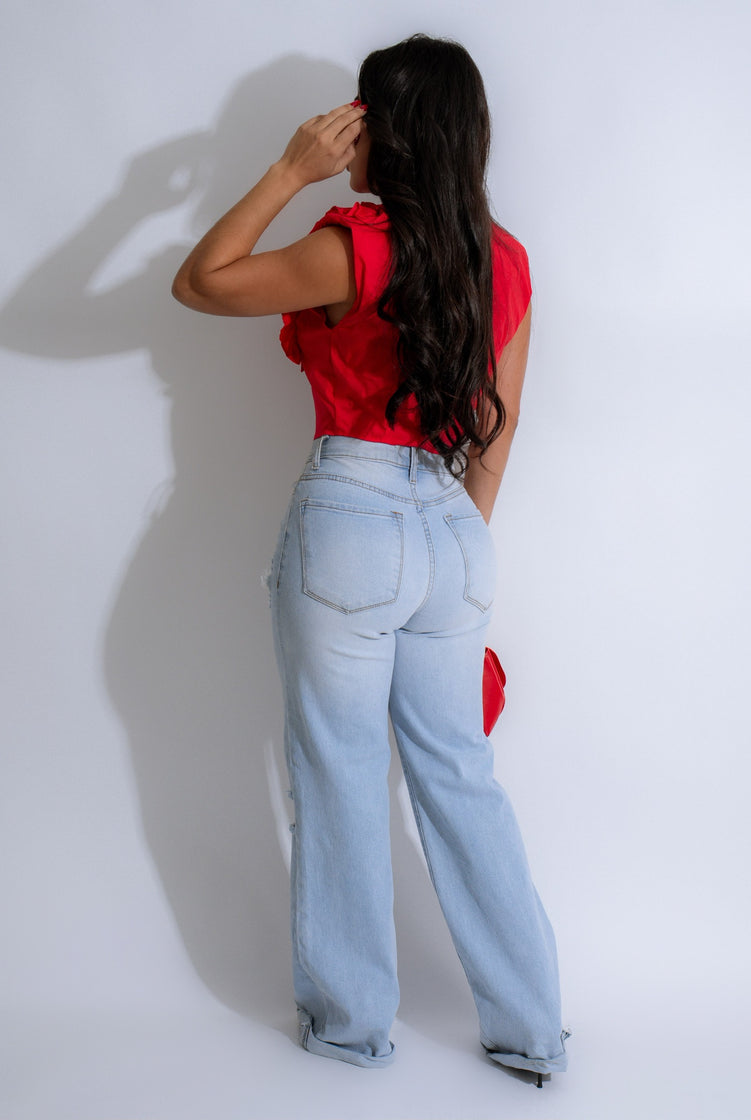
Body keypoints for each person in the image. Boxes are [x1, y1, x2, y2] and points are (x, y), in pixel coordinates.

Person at [172, 34, 570, 1084]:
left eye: (354, 112)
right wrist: (456, 547)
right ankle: (531, 1032)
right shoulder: (508, 258)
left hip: (348, 514)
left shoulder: (351, 244)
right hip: (453, 524)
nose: (338, 128)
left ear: (383, 130)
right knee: (461, 776)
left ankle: (352, 1031)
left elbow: (200, 281)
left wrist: (286, 170)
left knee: (339, 776)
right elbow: (504, 422)